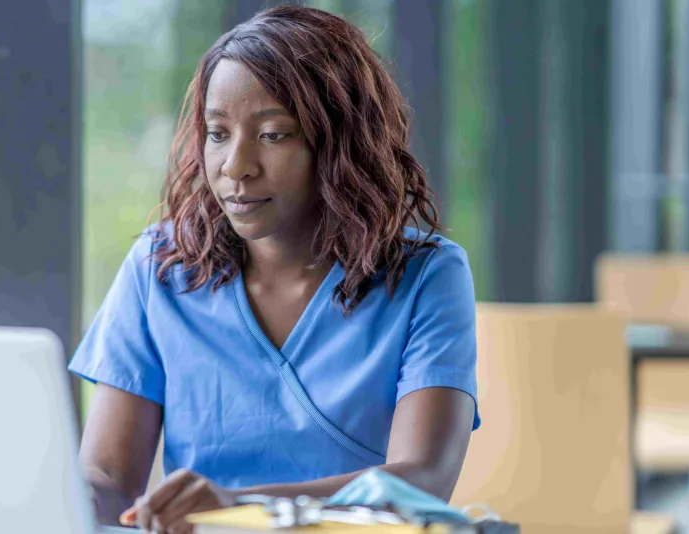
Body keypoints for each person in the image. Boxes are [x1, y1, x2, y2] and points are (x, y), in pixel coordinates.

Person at [70, 6, 479, 533]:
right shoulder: (161, 269)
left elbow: (421, 479)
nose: (236, 166)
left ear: (339, 143)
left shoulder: (428, 275)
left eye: (273, 135)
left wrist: (239, 504)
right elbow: (108, 477)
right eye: (218, 133)